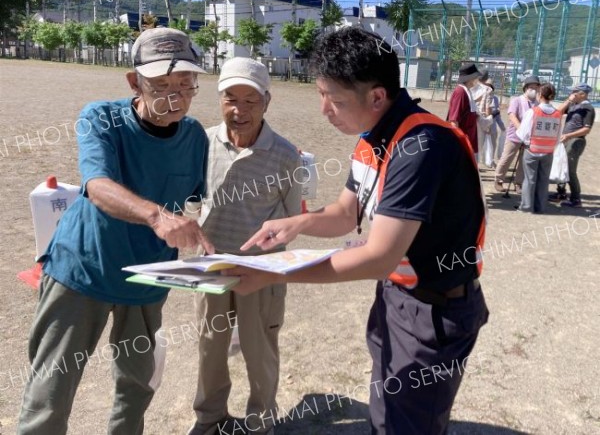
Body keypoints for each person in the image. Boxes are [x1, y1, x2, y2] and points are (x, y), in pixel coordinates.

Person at [224, 28, 489, 435]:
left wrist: (272, 273)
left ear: (378, 97)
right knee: (385, 413)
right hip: (396, 297)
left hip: (434, 311)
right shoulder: (374, 136)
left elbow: (378, 255)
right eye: (320, 93)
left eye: (336, 100)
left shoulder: (421, 145)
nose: (325, 109)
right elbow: (346, 213)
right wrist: (297, 222)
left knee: (407, 424)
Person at [17, 27, 214, 435]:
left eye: (185, 83)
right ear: (134, 82)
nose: (175, 95)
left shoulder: (194, 136)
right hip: (81, 273)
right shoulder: (100, 118)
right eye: (161, 84)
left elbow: (201, 197)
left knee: (136, 387)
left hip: (146, 282)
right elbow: (98, 186)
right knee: (49, 393)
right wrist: (159, 217)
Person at [187, 58, 303, 435]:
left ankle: (261, 422)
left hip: (262, 270)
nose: (239, 110)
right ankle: (209, 417)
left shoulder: (286, 154)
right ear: (219, 100)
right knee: (210, 346)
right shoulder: (200, 142)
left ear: (267, 102)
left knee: (260, 349)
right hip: (211, 265)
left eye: (251, 101)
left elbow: (290, 220)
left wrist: (273, 248)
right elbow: (189, 199)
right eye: (230, 98)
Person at [516, 83, 561, 213]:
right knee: (543, 180)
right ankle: (540, 207)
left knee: (529, 180)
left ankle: (526, 207)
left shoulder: (533, 112)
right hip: (548, 151)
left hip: (532, 150)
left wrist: (525, 142)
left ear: (540, 95)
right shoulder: (557, 114)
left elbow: (523, 133)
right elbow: (558, 136)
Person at [549, 83, 595, 208]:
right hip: (566, 139)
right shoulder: (574, 105)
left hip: (576, 141)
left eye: (575, 92)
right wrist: (569, 100)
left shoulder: (588, 109)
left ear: (582, 94)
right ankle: (561, 193)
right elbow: (558, 112)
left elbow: (586, 129)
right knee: (561, 165)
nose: (572, 94)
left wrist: (569, 136)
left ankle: (576, 198)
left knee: (570, 169)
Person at [494, 75, 541, 193]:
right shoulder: (517, 100)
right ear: (525, 88)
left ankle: (518, 183)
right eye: (531, 87)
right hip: (515, 135)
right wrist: (521, 129)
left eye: (536, 87)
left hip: (529, 138)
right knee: (507, 157)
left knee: (524, 161)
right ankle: (499, 179)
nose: (533, 90)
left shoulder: (537, 103)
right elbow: (512, 115)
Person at [446, 62, 481, 155]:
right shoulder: (460, 92)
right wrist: (457, 144)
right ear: (470, 79)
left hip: (468, 141)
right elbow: (453, 121)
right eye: (476, 77)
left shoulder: (466, 91)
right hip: (462, 144)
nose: (477, 80)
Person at [471, 69, 494, 160]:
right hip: (481, 120)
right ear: (486, 78)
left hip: (470, 118)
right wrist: (488, 124)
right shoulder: (488, 89)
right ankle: (474, 167)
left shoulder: (470, 87)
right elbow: (488, 108)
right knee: (477, 146)